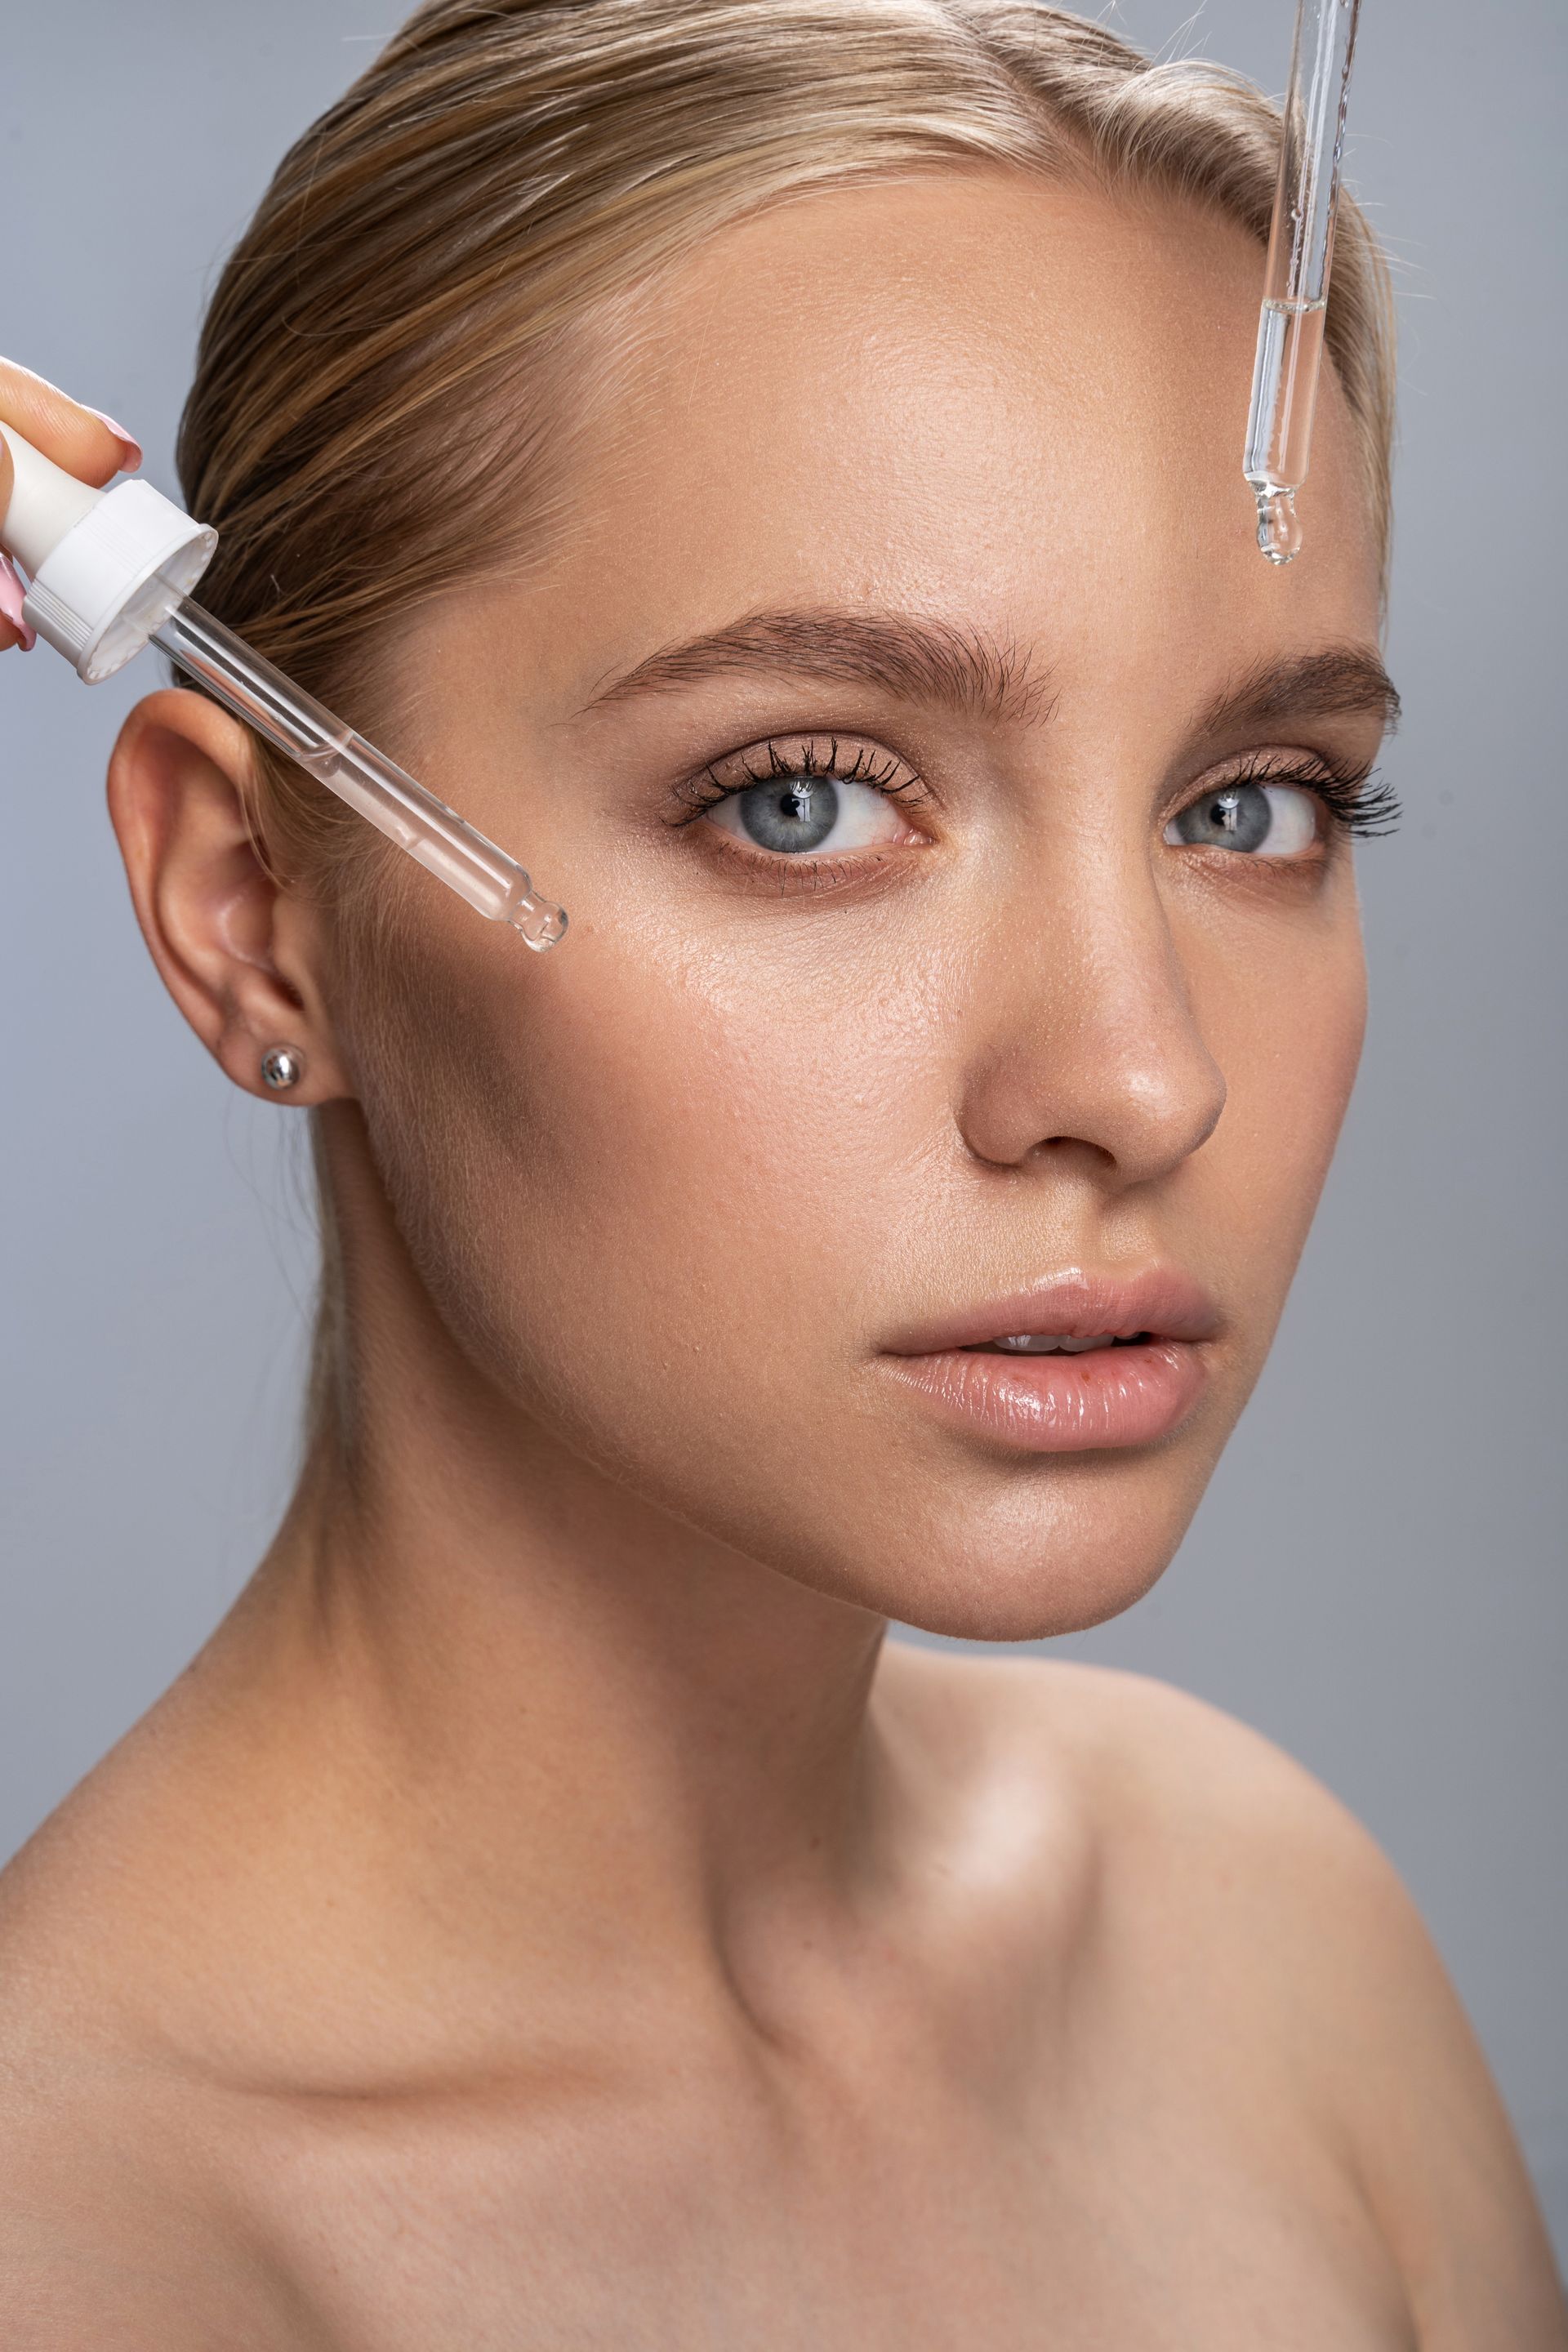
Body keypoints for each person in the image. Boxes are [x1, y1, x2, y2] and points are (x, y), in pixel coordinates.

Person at [2, 2, 1563, 2341]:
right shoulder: (80, 2242)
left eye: (1252, 805)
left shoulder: (1267, 1939)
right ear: (251, 910)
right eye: (802, 798)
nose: (1140, 1086)